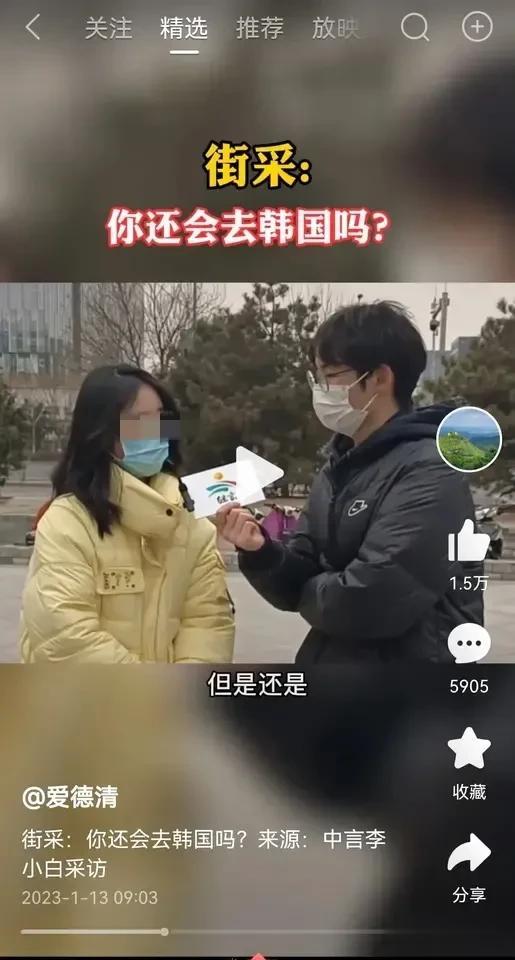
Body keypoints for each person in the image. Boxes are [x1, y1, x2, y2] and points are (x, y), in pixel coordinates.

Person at [216, 301, 483, 663]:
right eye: (316, 376)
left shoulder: (431, 469)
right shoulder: (339, 467)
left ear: (380, 378)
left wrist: (308, 588)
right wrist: (261, 551)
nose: (320, 388)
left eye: (330, 374)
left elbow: (370, 600)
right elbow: (303, 563)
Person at [20, 364, 235, 663]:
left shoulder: (191, 523)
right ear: (101, 432)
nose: (156, 431)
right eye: (140, 421)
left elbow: (208, 624)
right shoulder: (67, 523)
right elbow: (66, 638)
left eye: (162, 418)